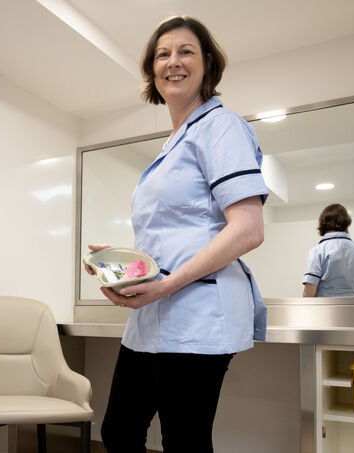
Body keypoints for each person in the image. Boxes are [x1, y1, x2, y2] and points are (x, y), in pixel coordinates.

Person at [83, 16, 268, 453]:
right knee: (119, 432)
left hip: (196, 313)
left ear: (207, 63)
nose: (173, 62)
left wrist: (166, 283)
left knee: (184, 441)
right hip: (154, 313)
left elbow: (248, 229)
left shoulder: (221, 127)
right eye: (162, 54)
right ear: (152, 70)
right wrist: (122, 265)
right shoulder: (175, 142)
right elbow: (174, 236)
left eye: (186, 51)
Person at [302, 203, 354, 297]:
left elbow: (309, 293)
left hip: (325, 309)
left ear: (322, 222)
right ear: (346, 222)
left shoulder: (318, 251)